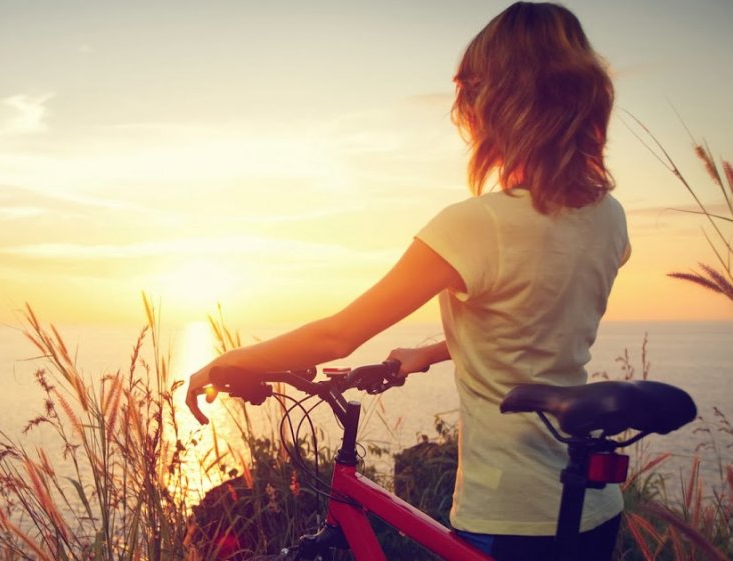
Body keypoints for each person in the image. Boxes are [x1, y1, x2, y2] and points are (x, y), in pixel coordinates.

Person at [184, 3, 629, 560]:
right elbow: (538, 323)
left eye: (471, 90)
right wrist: (430, 351)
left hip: (510, 515)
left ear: (498, 101)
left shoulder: (477, 224)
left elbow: (336, 337)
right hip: (591, 504)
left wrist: (229, 362)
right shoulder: (609, 216)